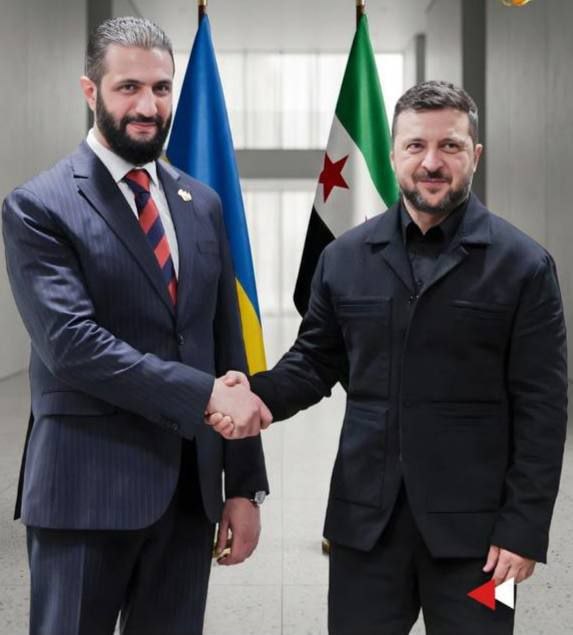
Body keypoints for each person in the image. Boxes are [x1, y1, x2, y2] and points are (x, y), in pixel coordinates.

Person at [211, 81, 568, 634]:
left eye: (450, 146)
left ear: (475, 155)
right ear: (393, 155)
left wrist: (523, 529)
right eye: (415, 145)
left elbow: (543, 409)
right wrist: (257, 396)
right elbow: (314, 362)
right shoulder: (344, 258)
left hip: (481, 541)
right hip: (364, 530)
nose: (432, 162)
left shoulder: (524, 266)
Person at [2, 16, 271, 635]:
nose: (148, 106)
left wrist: (243, 485)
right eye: (128, 87)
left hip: (188, 497)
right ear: (90, 91)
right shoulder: (40, 205)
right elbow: (73, 345)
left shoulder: (201, 203)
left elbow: (226, 347)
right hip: (84, 493)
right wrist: (204, 395)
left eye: (161, 87)